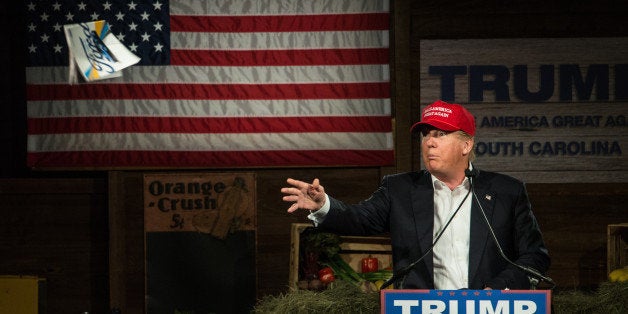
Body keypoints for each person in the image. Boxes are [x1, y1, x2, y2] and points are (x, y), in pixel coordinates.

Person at [281, 100, 551, 290]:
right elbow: (359, 219)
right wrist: (323, 205)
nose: (429, 142)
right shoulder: (399, 189)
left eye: (440, 134)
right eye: (425, 135)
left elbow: (535, 256)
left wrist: (499, 287)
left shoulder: (507, 191)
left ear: (466, 144)